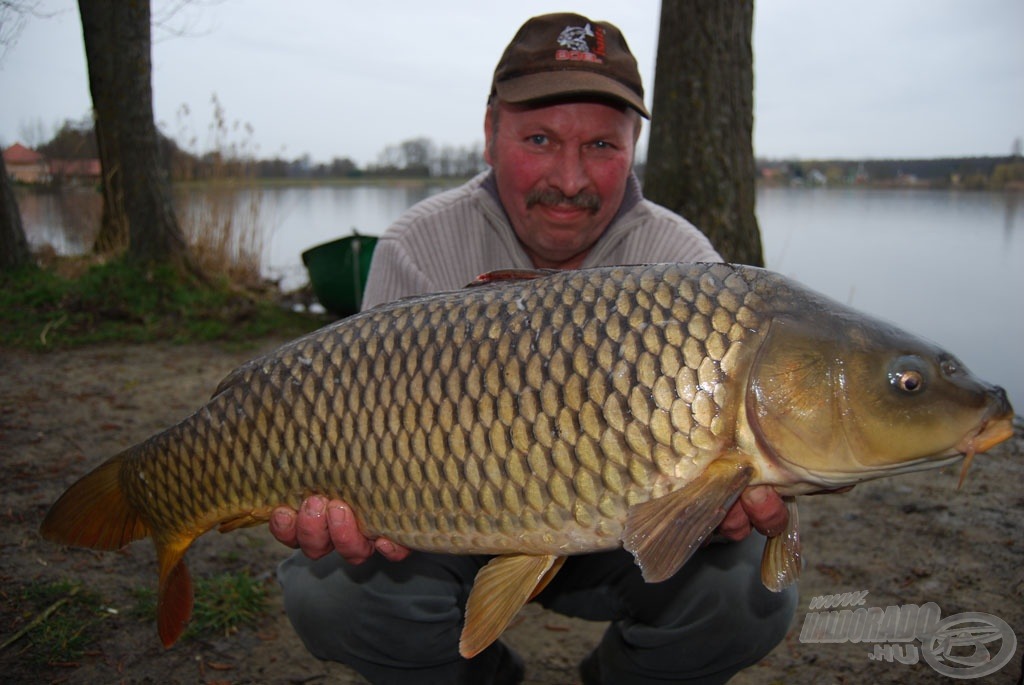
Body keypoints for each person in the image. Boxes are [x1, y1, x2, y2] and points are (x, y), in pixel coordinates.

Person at [271, 13, 796, 684]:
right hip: (444, 522)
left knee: (751, 590)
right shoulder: (417, 247)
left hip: (624, 527)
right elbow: (363, 434)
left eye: (603, 145)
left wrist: (734, 497)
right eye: (541, 138)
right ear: (490, 135)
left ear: (633, 146)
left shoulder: (683, 262)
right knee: (328, 591)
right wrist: (348, 505)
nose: (570, 179)